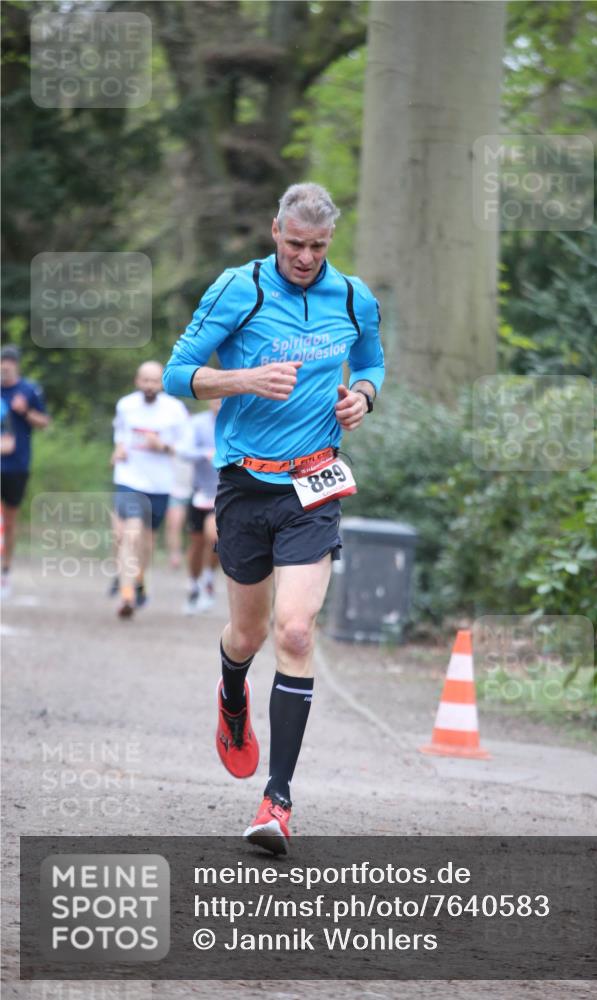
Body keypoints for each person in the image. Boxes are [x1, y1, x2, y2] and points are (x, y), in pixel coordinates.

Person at [163, 182, 384, 853]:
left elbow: (370, 359)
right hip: (244, 484)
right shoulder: (240, 289)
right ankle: (232, 692)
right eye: (294, 244)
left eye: (317, 246)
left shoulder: (353, 296)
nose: (305, 257)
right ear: (274, 231)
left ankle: (276, 800)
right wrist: (242, 381)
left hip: (313, 485)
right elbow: (179, 374)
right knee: (247, 633)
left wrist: (363, 398)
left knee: (293, 632)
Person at [111, 361, 189, 618]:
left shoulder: (175, 410)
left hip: (159, 484)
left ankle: (139, 580)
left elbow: (185, 448)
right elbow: (121, 435)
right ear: (137, 381)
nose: (149, 386)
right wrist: (119, 449)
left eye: (154, 381)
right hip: (129, 478)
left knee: (146, 541)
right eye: (145, 380)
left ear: (162, 383)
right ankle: (126, 595)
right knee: (129, 533)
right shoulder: (125, 405)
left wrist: (163, 447)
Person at [1, 345, 50, 599]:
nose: (5, 365)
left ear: (17, 365)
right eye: (2, 361)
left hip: (16, 465)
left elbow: (45, 422)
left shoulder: (29, 390)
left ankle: (5, 572)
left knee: (9, 521)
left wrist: (25, 411)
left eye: (10, 361)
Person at [177, 398, 221, 615]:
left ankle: (209, 579)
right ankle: (194, 584)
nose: (220, 402)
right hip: (201, 491)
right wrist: (205, 453)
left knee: (215, 536)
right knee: (196, 542)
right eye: (216, 398)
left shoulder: (240, 421)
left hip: (227, 492)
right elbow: (183, 451)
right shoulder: (197, 423)